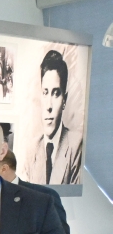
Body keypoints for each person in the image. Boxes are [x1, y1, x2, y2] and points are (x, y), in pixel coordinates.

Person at [24, 50, 84, 185]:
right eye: (45, 93)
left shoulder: (76, 146)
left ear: (64, 100)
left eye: (56, 94)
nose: (49, 106)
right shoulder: (31, 150)